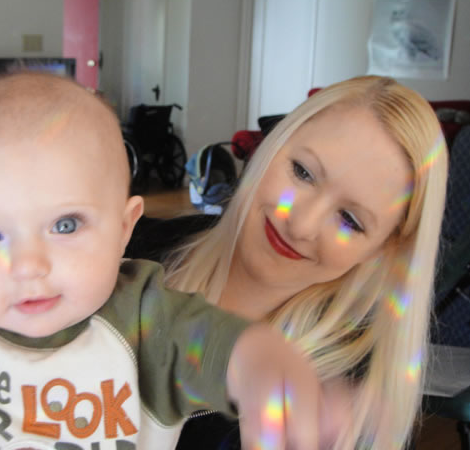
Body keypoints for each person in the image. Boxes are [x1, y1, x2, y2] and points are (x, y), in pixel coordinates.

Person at [0, 72, 324, 450]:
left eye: (65, 225)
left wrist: (270, 373)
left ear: (125, 228)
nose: (27, 266)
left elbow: (227, 349)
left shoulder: (146, 323)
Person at [127, 75, 449, 449]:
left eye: (349, 220)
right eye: (303, 172)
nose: (300, 224)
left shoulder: (348, 400)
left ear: (381, 250)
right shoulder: (128, 249)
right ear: (272, 145)